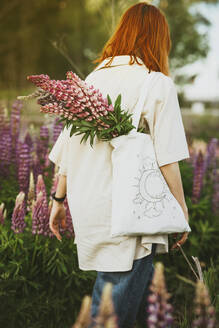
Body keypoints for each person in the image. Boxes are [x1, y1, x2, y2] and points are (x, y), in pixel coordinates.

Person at [48, 2, 190, 327]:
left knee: (118, 299)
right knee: (111, 311)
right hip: (131, 210)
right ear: (157, 39)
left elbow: (68, 148)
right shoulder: (156, 83)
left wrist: (57, 200)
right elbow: (167, 155)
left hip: (88, 204)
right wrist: (180, 208)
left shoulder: (89, 81)